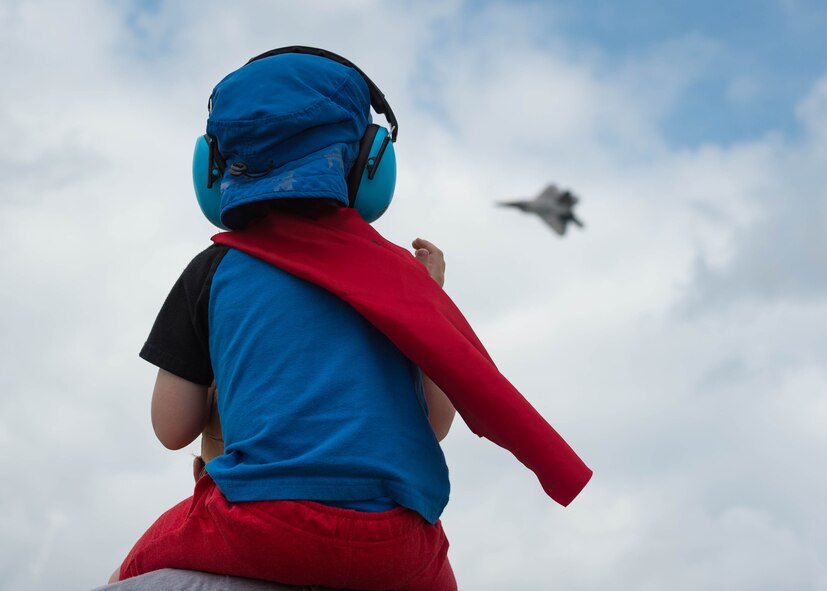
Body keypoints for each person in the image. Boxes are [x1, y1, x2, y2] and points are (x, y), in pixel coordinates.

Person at [110, 48, 459, 590]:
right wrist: (430, 301)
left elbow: (171, 429)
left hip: (261, 528)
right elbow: (434, 425)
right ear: (372, 163)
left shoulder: (214, 269)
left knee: (129, 571)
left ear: (212, 169)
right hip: (401, 550)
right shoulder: (405, 280)